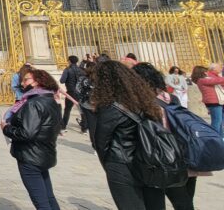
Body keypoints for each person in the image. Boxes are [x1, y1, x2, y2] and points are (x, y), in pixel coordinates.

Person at [84, 60, 175, 209]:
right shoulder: (147, 101)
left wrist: (110, 167)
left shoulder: (111, 107)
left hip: (122, 164)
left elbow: (101, 143)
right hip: (150, 162)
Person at [133, 63, 202, 210]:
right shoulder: (171, 98)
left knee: (154, 201)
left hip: (158, 158)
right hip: (182, 154)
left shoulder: (138, 102)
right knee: (184, 202)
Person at [2, 68, 62, 210]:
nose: (23, 83)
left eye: (26, 80)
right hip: (44, 153)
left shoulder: (33, 103)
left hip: (30, 155)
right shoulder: (50, 99)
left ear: (37, 82)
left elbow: (26, 133)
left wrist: (6, 128)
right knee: (48, 197)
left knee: (41, 202)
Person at [193, 64, 224, 136]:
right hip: (213, 102)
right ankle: (214, 137)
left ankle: (220, 137)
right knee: (217, 121)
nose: (208, 72)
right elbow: (216, 80)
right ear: (203, 72)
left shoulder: (204, 79)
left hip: (216, 102)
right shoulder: (202, 80)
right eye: (206, 71)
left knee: (219, 121)